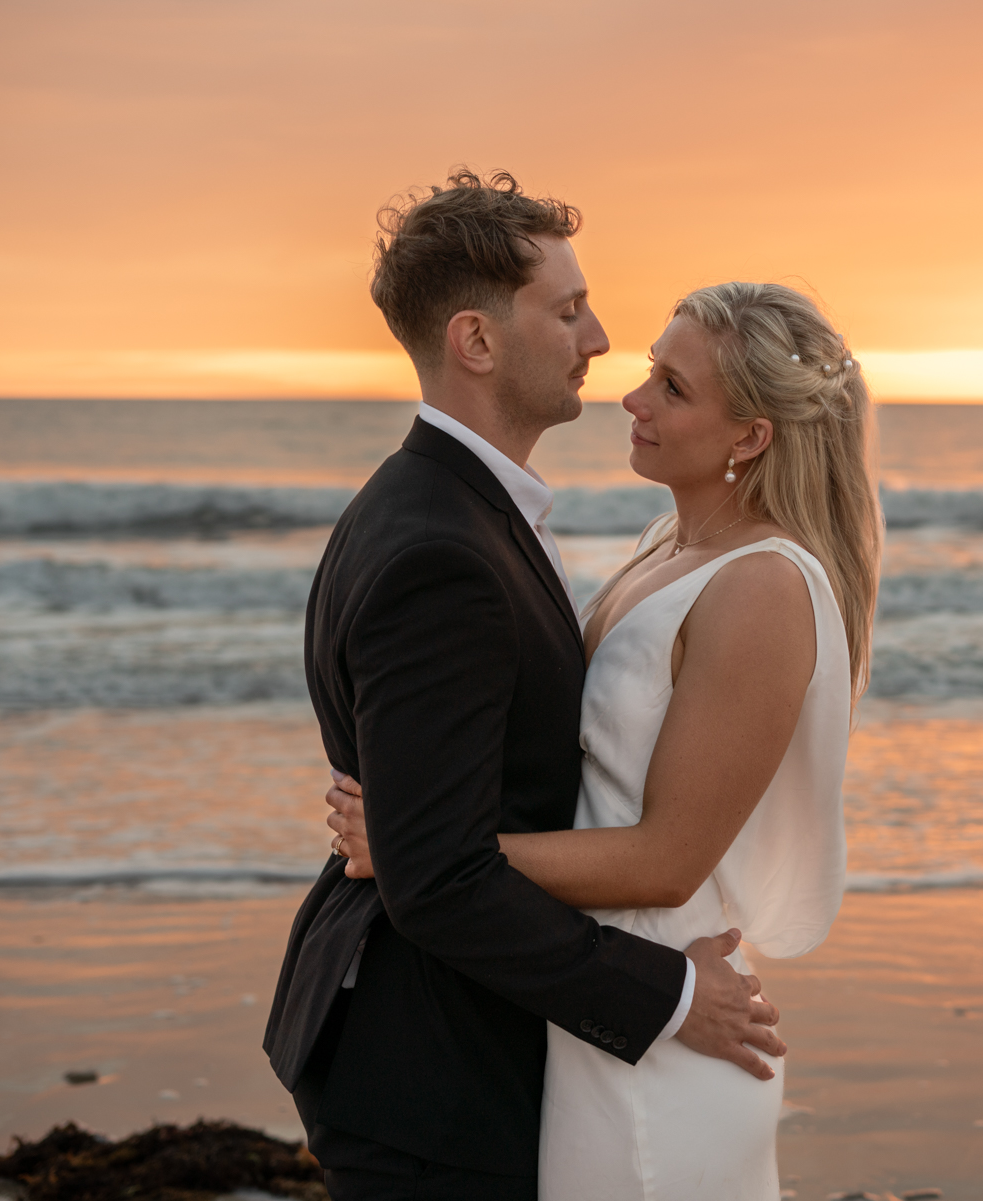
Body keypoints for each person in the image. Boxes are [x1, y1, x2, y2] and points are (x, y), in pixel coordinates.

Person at [264, 170, 787, 1201]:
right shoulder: (441, 552)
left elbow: (438, 842)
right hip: (431, 1071)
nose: (596, 338)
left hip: (443, 1046)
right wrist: (676, 997)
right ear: (478, 342)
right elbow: (440, 882)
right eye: (568, 308)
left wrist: (413, 840)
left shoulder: (441, 507)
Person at [325, 279, 882, 1199]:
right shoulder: (666, 547)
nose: (633, 397)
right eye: (651, 373)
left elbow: (666, 859)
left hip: (666, 1023)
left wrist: (418, 850)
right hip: (601, 1002)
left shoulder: (763, 589)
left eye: (673, 386)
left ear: (750, 437)